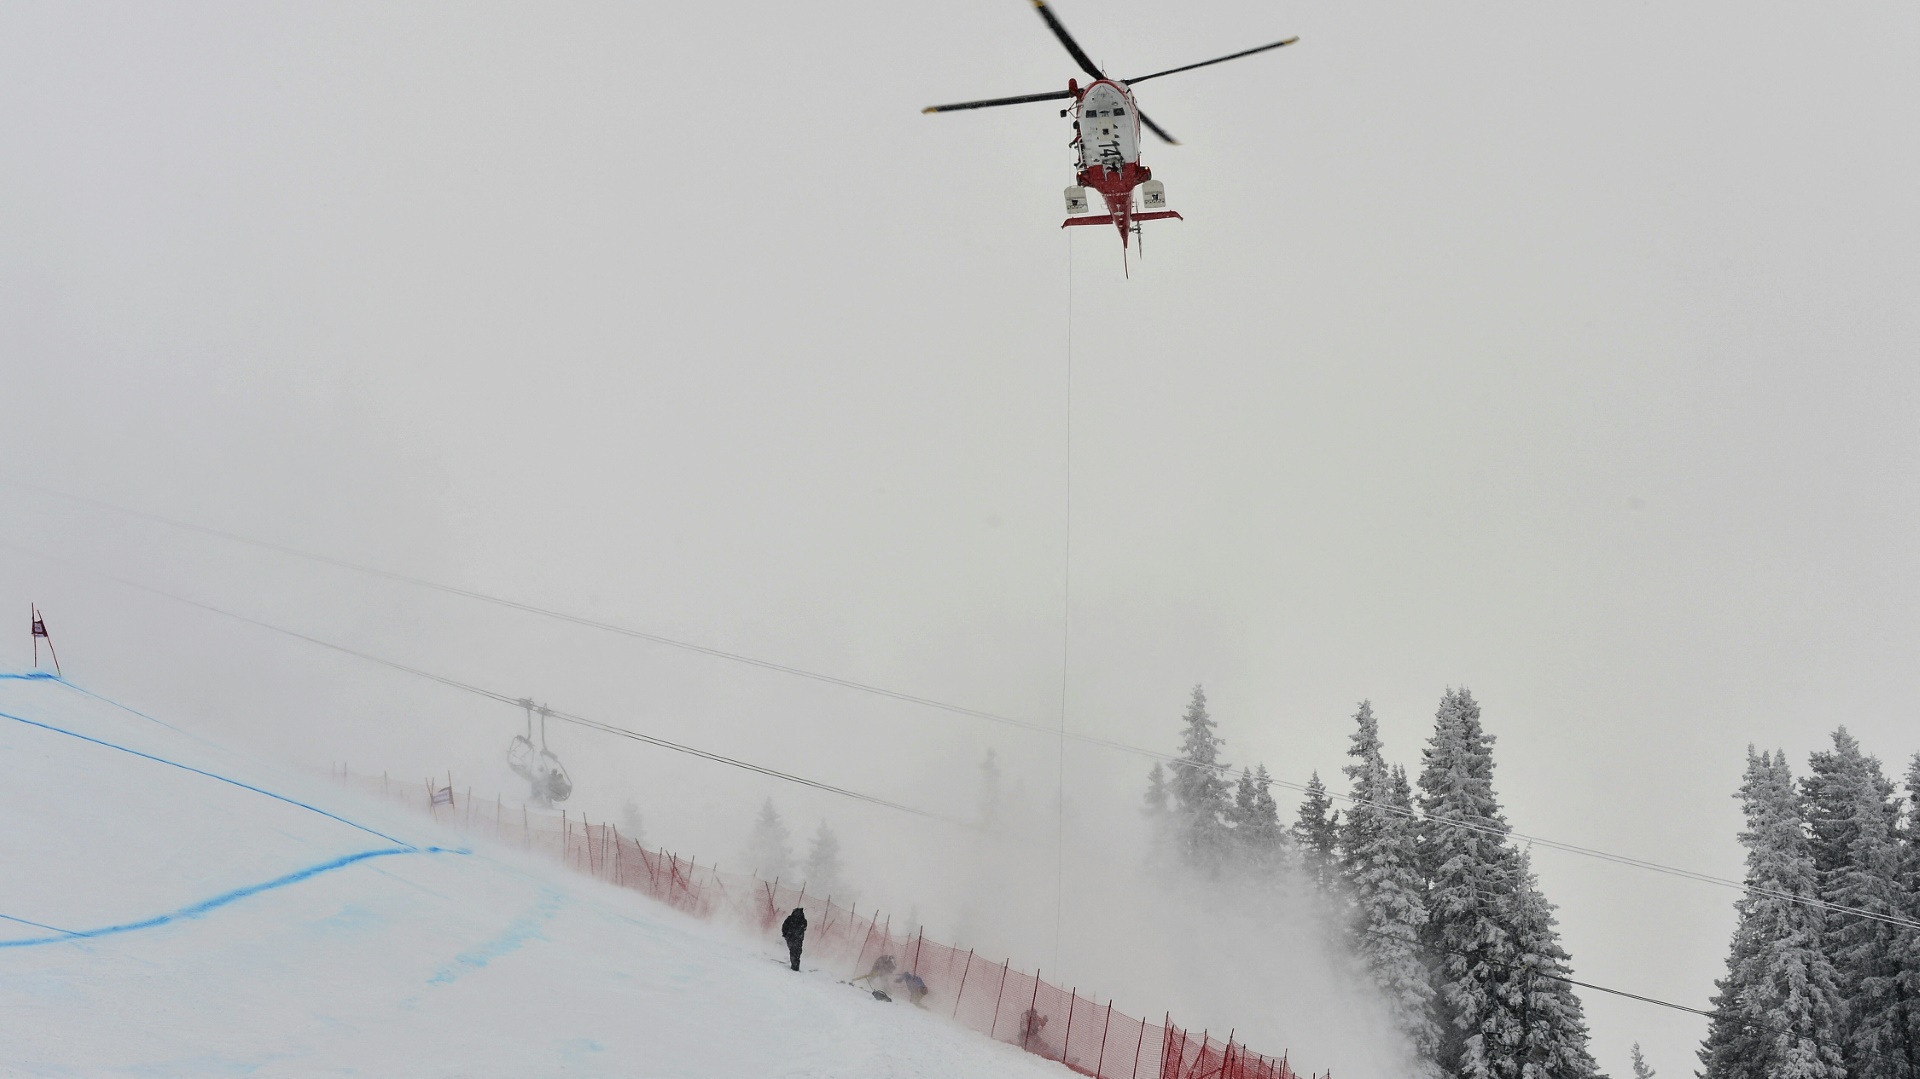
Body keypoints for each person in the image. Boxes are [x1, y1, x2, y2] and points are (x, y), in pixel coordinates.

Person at [781, 907, 807, 971]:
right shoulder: (802, 920)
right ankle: (795, 966)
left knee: (794, 951)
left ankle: (795, 966)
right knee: (796, 952)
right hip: (797, 939)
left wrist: (785, 935)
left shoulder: (790, 919)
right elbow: (804, 928)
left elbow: (784, 927)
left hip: (792, 938)